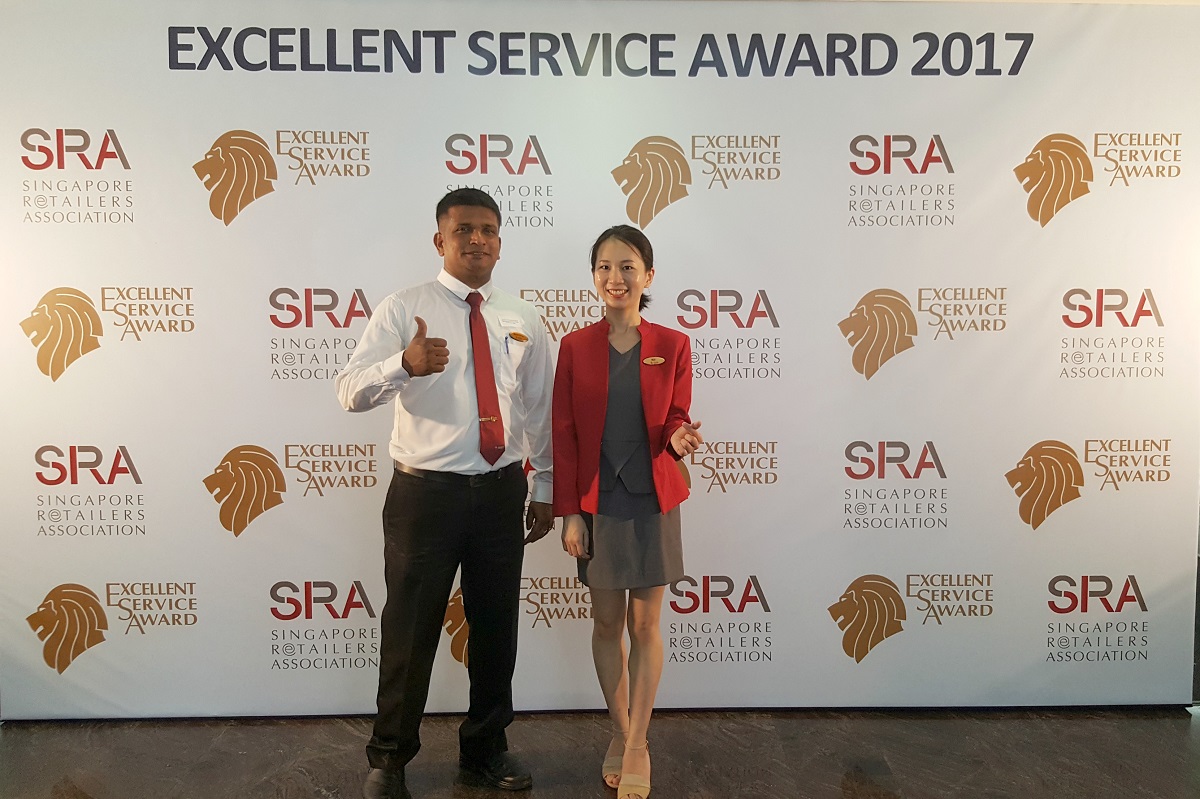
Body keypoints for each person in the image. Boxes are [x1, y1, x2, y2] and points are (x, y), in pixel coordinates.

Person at [336, 188, 554, 799]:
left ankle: (485, 750)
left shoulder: (522, 317)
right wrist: (401, 365)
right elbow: (349, 390)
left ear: (501, 241)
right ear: (440, 240)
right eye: (464, 230)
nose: (477, 239)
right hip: (424, 497)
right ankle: (389, 760)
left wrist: (547, 487)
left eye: (488, 230)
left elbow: (540, 408)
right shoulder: (404, 308)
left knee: (494, 628)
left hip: (499, 493)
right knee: (409, 629)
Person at [553, 225, 703, 799]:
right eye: (604, 267)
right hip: (596, 503)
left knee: (645, 625)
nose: (615, 278)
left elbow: (674, 417)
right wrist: (569, 512)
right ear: (594, 276)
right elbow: (562, 434)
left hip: (651, 499)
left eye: (627, 267)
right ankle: (623, 731)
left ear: (649, 275)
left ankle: (635, 742)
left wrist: (680, 437)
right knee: (606, 624)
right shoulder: (574, 346)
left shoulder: (674, 342)